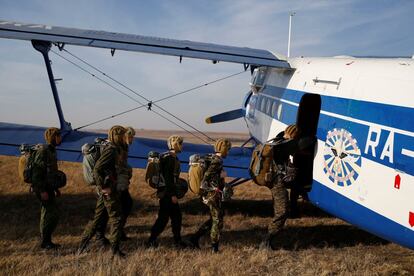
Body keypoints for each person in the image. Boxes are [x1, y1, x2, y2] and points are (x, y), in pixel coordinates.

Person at [78, 125, 126, 257]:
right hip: (108, 190)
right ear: (118, 136)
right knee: (116, 219)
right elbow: (97, 169)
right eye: (123, 135)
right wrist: (104, 187)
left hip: (105, 190)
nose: (124, 138)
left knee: (97, 219)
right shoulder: (111, 150)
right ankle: (115, 251)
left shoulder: (112, 148)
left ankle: (81, 247)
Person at [189, 138, 232, 253]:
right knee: (217, 220)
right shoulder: (217, 161)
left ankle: (195, 238)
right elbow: (208, 175)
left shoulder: (210, 157)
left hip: (210, 194)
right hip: (213, 194)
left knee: (215, 218)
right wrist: (206, 188)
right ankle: (214, 247)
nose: (228, 152)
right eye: (227, 149)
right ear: (223, 149)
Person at [146, 135, 185, 248]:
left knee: (176, 217)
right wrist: (172, 195)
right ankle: (151, 241)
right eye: (181, 143)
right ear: (176, 144)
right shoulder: (170, 159)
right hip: (167, 193)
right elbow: (168, 178)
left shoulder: (170, 157)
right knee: (163, 219)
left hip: (166, 192)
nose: (182, 146)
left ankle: (177, 241)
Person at [267, 124, 300, 249]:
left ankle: (268, 240)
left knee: (279, 210)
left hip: (274, 180)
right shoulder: (286, 144)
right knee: (282, 211)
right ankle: (267, 241)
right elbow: (301, 145)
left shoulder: (277, 141)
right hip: (278, 182)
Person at [31, 127, 63, 249]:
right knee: (49, 213)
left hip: (49, 186)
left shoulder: (52, 150)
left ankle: (47, 240)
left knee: (51, 213)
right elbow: (37, 173)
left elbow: (51, 172)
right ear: (54, 137)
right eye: (59, 136)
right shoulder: (43, 151)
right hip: (42, 187)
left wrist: (55, 188)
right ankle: (45, 241)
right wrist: (42, 190)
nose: (60, 138)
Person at [117, 126, 135, 240]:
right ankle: (117, 233)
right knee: (125, 205)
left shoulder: (124, 147)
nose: (132, 139)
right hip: (117, 184)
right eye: (131, 136)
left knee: (125, 205)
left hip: (122, 182)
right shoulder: (118, 148)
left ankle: (119, 232)